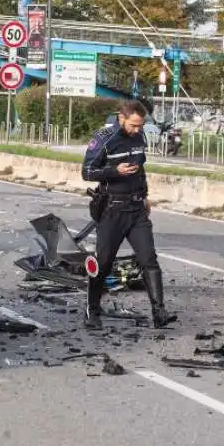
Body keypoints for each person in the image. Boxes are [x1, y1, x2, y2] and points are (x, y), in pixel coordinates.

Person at [81, 99, 176, 330]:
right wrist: (115, 171)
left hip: (137, 210)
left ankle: (159, 311)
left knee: (149, 260)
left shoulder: (139, 137)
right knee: (103, 264)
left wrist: (144, 195)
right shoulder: (105, 138)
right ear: (122, 118)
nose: (137, 130)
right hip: (112, 210)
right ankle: (92, 311)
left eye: (140, 126)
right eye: (133, 125)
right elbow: (87, 172)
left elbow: (140, 169)